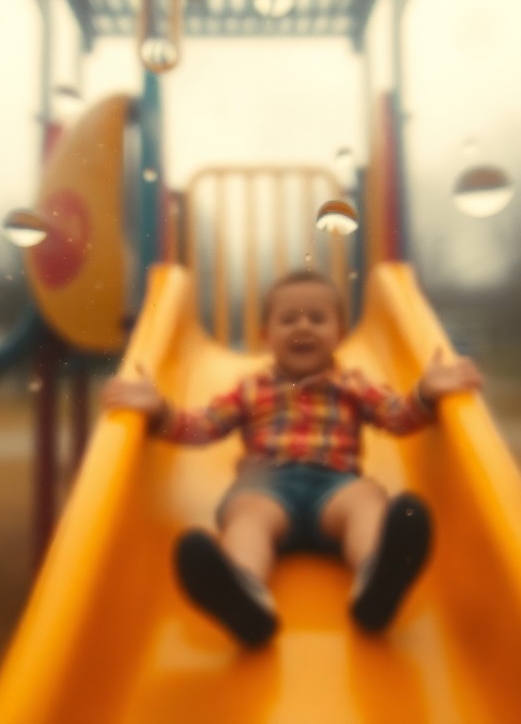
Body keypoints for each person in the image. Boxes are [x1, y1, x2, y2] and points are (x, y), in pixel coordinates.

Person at [101, 270, 483, 647]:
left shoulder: (353, 386)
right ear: (267, 336)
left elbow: (397, 417)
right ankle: (245, 594)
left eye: (317, 318)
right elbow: (202, 427)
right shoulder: (251, 390)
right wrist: (160, 410)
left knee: (367, 502)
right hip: (269, 486)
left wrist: (426, 393)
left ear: (340, 333)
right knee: (248, 514)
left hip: (336, 486)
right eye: (288, 319)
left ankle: (377, 581)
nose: (303, 326)